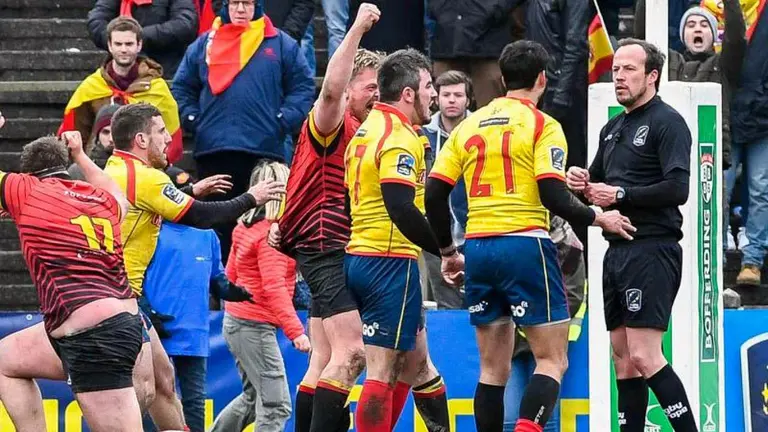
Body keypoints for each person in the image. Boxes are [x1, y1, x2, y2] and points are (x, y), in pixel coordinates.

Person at [424, 40, 635, 432]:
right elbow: (552, 193)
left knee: (492, 369)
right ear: (542, 79)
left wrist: (448, 252)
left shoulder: (470, 124)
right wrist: (597, 217)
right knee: (552, 360)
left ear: (503, 79)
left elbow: (434, 193)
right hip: (526, 244)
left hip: (479, 246)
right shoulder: (543, 125)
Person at [103, 102, 285, 431]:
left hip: (120, 296)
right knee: (143, 390)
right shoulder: (147, 178)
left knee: (164, 381)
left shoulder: (117, 169)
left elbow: (147, 202)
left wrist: (188, 191)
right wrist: (251, 198)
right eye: (161, 132)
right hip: (118, 298)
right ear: (141, 140)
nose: (168, 140)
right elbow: (201, 217)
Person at [566, 39, 698, 431]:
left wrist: (621, 194)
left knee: (644, 354)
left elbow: (679, 189)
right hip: (617, 251)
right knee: (622, 358)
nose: (619, 77)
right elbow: (598, 182)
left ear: (652, 75)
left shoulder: (668, 121)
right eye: (616, 70)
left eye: (629, 70)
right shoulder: (613, 126)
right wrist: (580, 180)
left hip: (651, 248)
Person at [269, 5, 381, 431]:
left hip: (326, 244)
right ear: (349, 89)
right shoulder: (333, 121)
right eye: (369, 87)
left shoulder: (366, 131)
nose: (375, 95)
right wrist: (356, 28)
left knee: (323, 358)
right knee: (353, 354)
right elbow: (330, 92)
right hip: (325, 245)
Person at [0, 131, 147, 432]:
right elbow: (119, 195)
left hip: (96, 337)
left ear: (29, 174)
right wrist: (80, 154)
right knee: (6, 360)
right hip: (98, 325)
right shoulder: (101, 198)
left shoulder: (28, 191)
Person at [343, 47, 452, 432]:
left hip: (362, 255)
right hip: (388, 261)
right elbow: (401, 208)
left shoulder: (364, 131)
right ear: (408, 93)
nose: (433, 95)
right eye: (427, 87)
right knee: (383, 368)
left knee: (417, 363)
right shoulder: (399, 135)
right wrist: (445, 250)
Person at [172, 0, 315, 261]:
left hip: (263, 152)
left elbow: (303, 87)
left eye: (246, 3)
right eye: (235, 2)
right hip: (214, 151)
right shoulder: (203, 44)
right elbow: (182, 87)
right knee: (217, 226)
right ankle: (221, 287)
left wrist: (282, 121)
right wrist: (194, 119)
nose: (240, 9)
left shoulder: (280, 43)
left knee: (262, 226)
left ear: (257, 6)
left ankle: (260, 289)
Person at [143, 167, 254, 432]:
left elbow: (218, 279)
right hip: (155, 333)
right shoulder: (149, 231)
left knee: (194, 406)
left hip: (194, 333)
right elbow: (132, 276)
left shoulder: (207, 234)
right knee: (151, 398)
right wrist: (146, 313)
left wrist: (239, 291)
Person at [210, 161, 311, 432]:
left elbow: (228, 276)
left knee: (253, 398)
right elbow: (274, 286)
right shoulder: (271, 234)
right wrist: (296, 332)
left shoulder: (245, 226)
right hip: (253, 326)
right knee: (276, 405)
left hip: (239, 322)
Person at [502, 216, 587, 432]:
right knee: (509, 418)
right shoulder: (502, 233)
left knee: (545, 422)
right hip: (509, 345)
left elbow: (573, 294)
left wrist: (530, 322)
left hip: (548, 343)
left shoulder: (568, 243)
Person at [59, 17, 183, 164]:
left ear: (139, 45)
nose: (123, 49)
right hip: (100, 166)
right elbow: (75, 132)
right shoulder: (92, 86)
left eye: (129, 44)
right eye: (118, 44)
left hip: (146, 167)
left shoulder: (157, 87)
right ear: (110, 46)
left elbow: (170, 137)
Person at [421, 70, 472, 309]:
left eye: (458, 95)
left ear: (468, 100)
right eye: (446, 95)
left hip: (475, 231)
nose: (452, 100)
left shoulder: (479, 130)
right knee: (447, 304)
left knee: (479, 302)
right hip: (435, 234)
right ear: (436, 99)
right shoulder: (422, 133)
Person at [525, 0, 590, 168]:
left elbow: (576, 45)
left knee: (569, 155)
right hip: (537, 79)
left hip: (564, 83)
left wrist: (562, 93)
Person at [87, 0, 199, 78]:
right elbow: (96, 22)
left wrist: (137, 37)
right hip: (120, 71)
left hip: (165, 70)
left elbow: (185, 24)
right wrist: (119, 40)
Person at [68, 103, 121, 180]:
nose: (111, 139)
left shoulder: (138, 170)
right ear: (97, 135)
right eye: (105, 132)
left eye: (116, 132)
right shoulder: (77, 171)